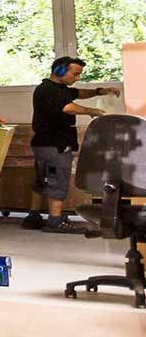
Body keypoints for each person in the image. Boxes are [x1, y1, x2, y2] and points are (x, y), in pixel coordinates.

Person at [25, 55, 106, 231]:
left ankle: (33, 216)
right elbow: (67, 107)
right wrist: (91, 111)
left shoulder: (57, 88)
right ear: (59, 71)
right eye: (75, 74)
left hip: (44, 144)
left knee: (42, 181)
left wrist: (99, 91)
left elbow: (78, 93)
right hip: (55, 145)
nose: (78, 78)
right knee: (57, 180)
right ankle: (55, 221)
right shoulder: (49, 90)